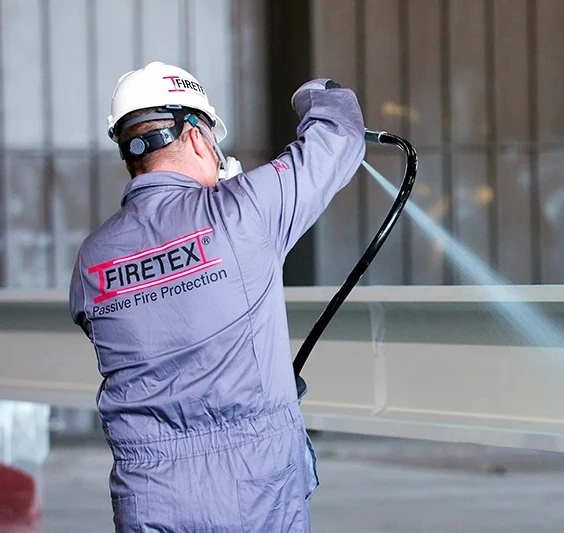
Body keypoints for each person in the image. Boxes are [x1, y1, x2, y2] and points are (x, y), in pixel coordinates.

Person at [68, 61, 365, 531]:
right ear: (196, 137)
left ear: (129, 154)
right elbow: (338, 139)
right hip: (255, 486)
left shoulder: (93, 257)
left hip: (147, 494)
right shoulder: (244, 211)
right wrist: (318, 95)